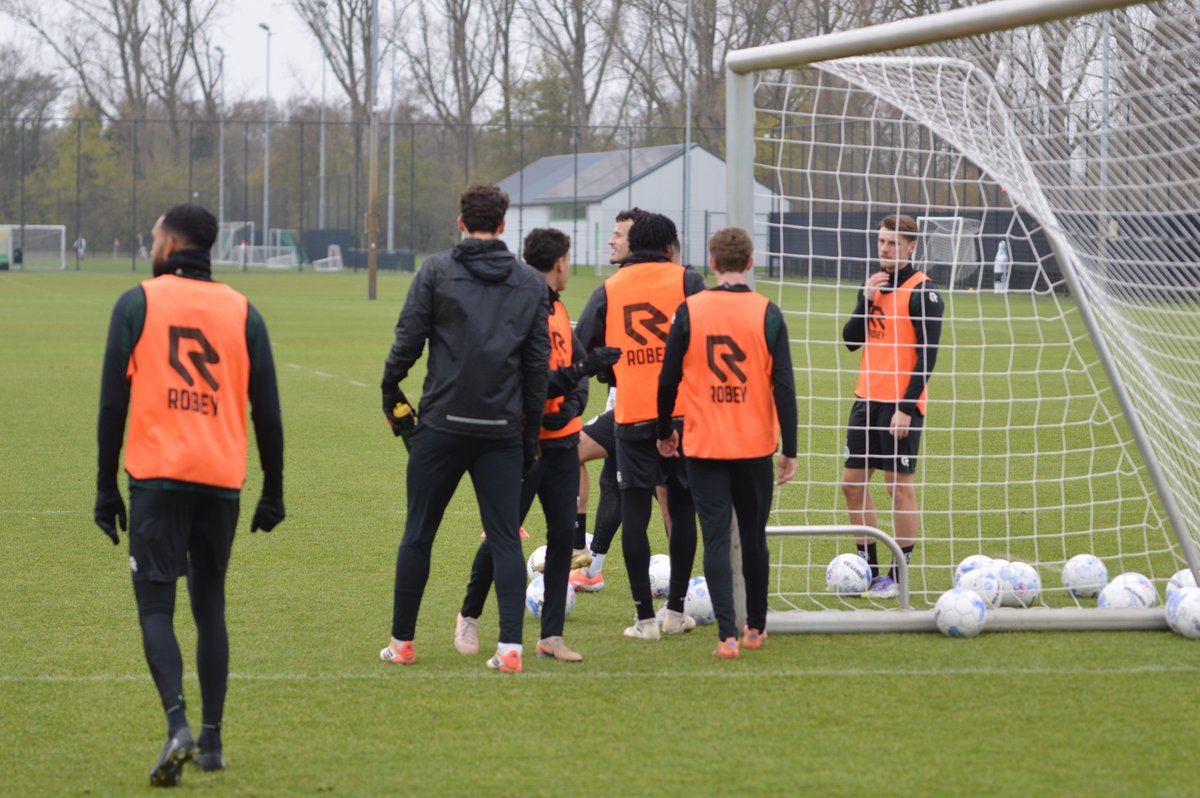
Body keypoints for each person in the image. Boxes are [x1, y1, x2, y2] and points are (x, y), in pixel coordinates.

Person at [94, 203, 285, 786]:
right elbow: (268, 412)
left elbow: (111, 405)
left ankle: (177, 723)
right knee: (211, 607)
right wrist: (273, 490)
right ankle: (212, 743)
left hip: (158, 475)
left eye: (155, 236)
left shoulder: (138, 303)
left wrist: (106, 488)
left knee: (156, 607)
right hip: (222, 479)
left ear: (171, 243)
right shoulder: (242, 311)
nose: (152, 244)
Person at [379, 183, 549, 674]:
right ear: (503, 224)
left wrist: (390, 386)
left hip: (441, 424)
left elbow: (408, 339)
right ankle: (511, 649)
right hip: (501, 429)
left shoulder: (436, 270)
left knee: (418, 533)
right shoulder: (529, 283)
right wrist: (531, 431)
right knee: (504, 536)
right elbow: (536, 368)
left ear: (460, 222)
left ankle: (403, 642)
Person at [454, 228, 619, 663]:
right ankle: (468, 615)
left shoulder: (561, 309)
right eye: (567, 259)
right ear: (559, 263)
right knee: (502, 534)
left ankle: (552, 636)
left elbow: (580, 368)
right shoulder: (523, 312)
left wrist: (573, 406)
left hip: (564, 444)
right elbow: (517, 376)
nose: (569, 267)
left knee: (564, 534)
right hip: (527, 447)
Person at [657, 227, 797, 659]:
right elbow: (784, 388)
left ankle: (727, 637)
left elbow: (667, 378)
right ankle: (755, 627)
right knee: (754, 538)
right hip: (754, 447)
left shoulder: (691, 309)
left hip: (704, 446)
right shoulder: (767, 312)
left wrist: (664, 430)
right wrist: (788, 448)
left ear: (713, 264)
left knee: (715, 539)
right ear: (750, 263)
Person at [576, 211, 705, 639]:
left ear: (634, 245)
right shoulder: (688, 280)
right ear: (669, 247)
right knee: (682, 508)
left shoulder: (609, 290)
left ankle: (644, 620)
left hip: (631, 415)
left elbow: (584, 349)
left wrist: (609, 370)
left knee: (636, 511)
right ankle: (676, 611)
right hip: (684, 415)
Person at [840, 213, 944, 598]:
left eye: (892, 243)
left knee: (898, 487)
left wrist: (906, 405)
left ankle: (899, 575)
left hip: (901, 406)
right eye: (881, 242)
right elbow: (851, 340)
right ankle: (868, 567)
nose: (884, 249)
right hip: (865, 400)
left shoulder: (923, 291)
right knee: (851, 485)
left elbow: (927, 356)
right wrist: (864, 300)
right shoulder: (873, 286)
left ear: (911, 246)